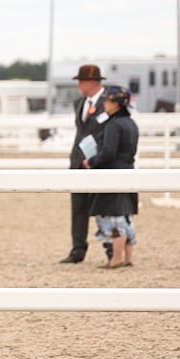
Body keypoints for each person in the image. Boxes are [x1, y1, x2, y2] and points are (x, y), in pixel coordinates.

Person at [83, 86, 139, 268]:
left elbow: (108, 152)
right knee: (127, 215)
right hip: (128, 171)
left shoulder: (114, 125)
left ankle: (115, 259)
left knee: (114, 217)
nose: (105, 104)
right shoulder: (131, 124)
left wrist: (92, 161)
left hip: (113, 174)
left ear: (116, 104)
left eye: (107, 101)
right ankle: (128, 258)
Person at [60, 64, 109, 264]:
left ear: (91, 82)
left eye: (81, 81)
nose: (79, 85)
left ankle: (111, 249)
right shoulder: (79, 103)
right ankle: (78, 249)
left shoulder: (109, 103)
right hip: (78, 162)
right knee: (78, 207)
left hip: (99, 163)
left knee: (104, 207)